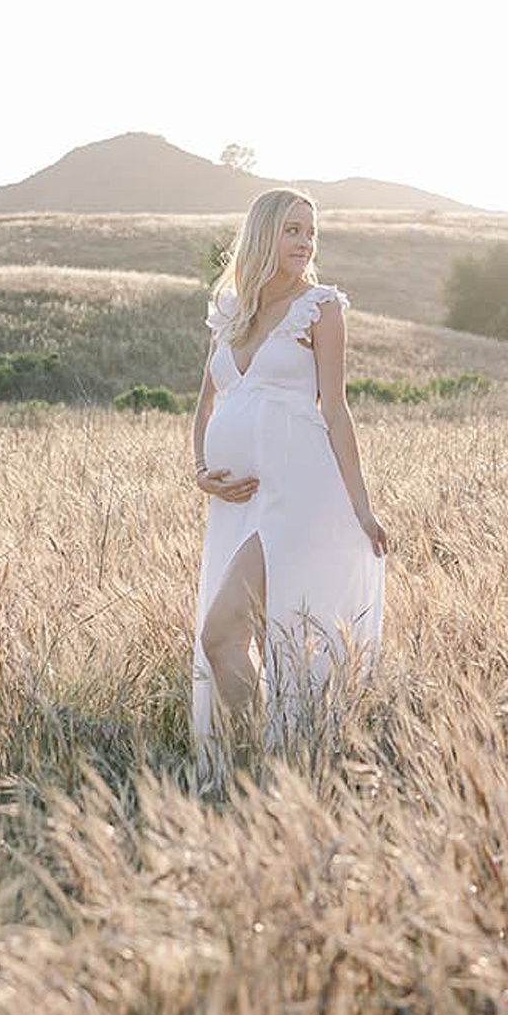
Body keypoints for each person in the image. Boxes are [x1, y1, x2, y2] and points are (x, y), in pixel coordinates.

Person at [189, 188, 387, 783]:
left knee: (224, 635)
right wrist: (203, 474)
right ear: (262, 236)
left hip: (301, 496)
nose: (305, 243)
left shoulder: (320, 306)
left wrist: (363, 507)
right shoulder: (231, 314)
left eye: (310, 232)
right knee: (227, 642)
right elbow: (204, 408)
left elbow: (337, 412)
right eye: (292, 230)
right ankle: (261, 776)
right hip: (238, 504)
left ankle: (268, 771)